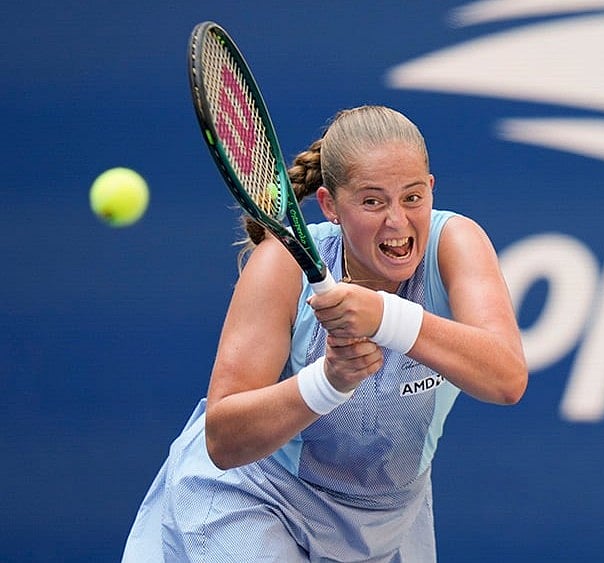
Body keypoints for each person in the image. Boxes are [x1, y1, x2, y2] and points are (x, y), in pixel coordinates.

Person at [122, 105, 528, 562]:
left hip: (388, 521)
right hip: (257, 500)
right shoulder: (281, 261)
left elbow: (507, 379)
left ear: (431, 189)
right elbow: (224, 439)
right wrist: (328, 382)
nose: (396, 221)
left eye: (412, 197)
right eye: (372, 201)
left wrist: (385, 316)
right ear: (330, 206)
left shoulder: (456, 242)